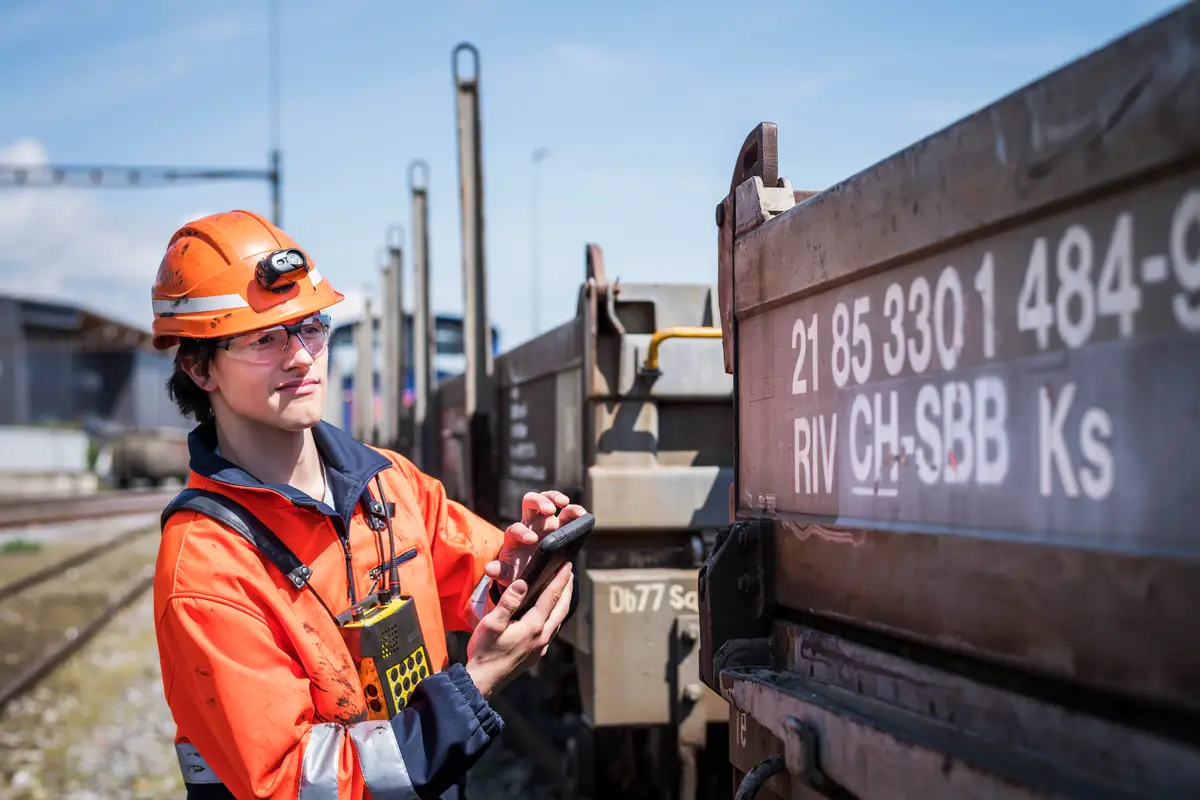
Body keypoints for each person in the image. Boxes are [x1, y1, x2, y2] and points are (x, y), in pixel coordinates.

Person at [150, 209, 583, 800]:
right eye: (264, 339)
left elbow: (472, 582)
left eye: (310, 327)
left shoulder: (385, 482)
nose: (301, 357)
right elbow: (291, 783)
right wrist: (477, 681)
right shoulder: (205, 569)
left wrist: (523, 570)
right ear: (201, 368)